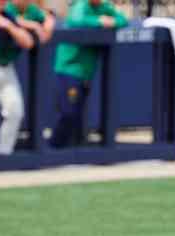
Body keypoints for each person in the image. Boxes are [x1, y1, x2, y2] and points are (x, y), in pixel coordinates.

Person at [0, 0, 53, 155]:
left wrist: (45, 22)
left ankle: (4, 152)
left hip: (7, 66)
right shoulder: (4, 9)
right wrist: (29, 25)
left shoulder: (24, 11)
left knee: (15, 109)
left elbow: (28, 41)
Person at [51, 0, 126, 148]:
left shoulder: (104, 7)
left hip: (86, 72)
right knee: (68, 112)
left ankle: (75, 150)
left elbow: (122, 20)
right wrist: (99, 21)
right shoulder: (81, 5)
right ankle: (54, 147)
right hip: (69, 69)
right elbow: (76, 21)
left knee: (79, 114)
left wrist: (111, 21)